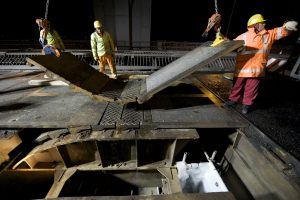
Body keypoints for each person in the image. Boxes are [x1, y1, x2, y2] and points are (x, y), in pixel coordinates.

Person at [224, 14, 298, 114]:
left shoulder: (269, 34)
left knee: (252, 88)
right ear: (255, 25)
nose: (264, 23)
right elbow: (231, 45)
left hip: (257, 69)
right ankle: (232, 100)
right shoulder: (244, 36)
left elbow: (281, 31)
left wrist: (287, 28)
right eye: (262, 22)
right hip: (242, 68)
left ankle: (246, 105)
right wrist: (226, 42)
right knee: (237, 86)